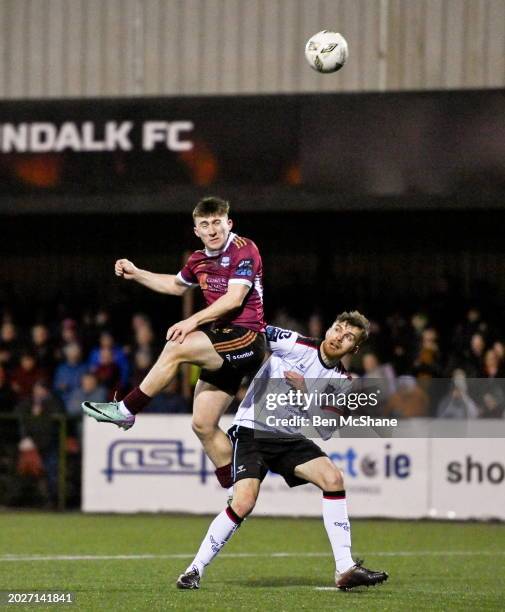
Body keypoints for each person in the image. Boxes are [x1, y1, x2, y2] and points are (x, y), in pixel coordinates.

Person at [176, 311, 389, 591]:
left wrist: (306, 393)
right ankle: (194, 570)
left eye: (349, 337)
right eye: (338, 329)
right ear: (329, 329)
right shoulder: (292, 342)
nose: (340, 337)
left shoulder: (342, 382)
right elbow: (251, 333)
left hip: (289, 438)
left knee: (333, 478)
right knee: (243, 503)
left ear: (355, 348)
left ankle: (344, 568)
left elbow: (326, 429)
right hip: (253, 429)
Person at [83, 197, 266, 489]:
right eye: (205, 225)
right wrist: (137, 273)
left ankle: (126, 411)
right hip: (222, 346)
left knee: (177, 346)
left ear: (228, 224)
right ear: (197, 231)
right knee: (203, 425)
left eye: (217, 222)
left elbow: (235, 299)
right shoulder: (198, 259)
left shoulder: (245, 249)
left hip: (246, 338)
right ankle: (238, 490)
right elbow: (175, 285)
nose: (212, 230)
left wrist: (191, 321)